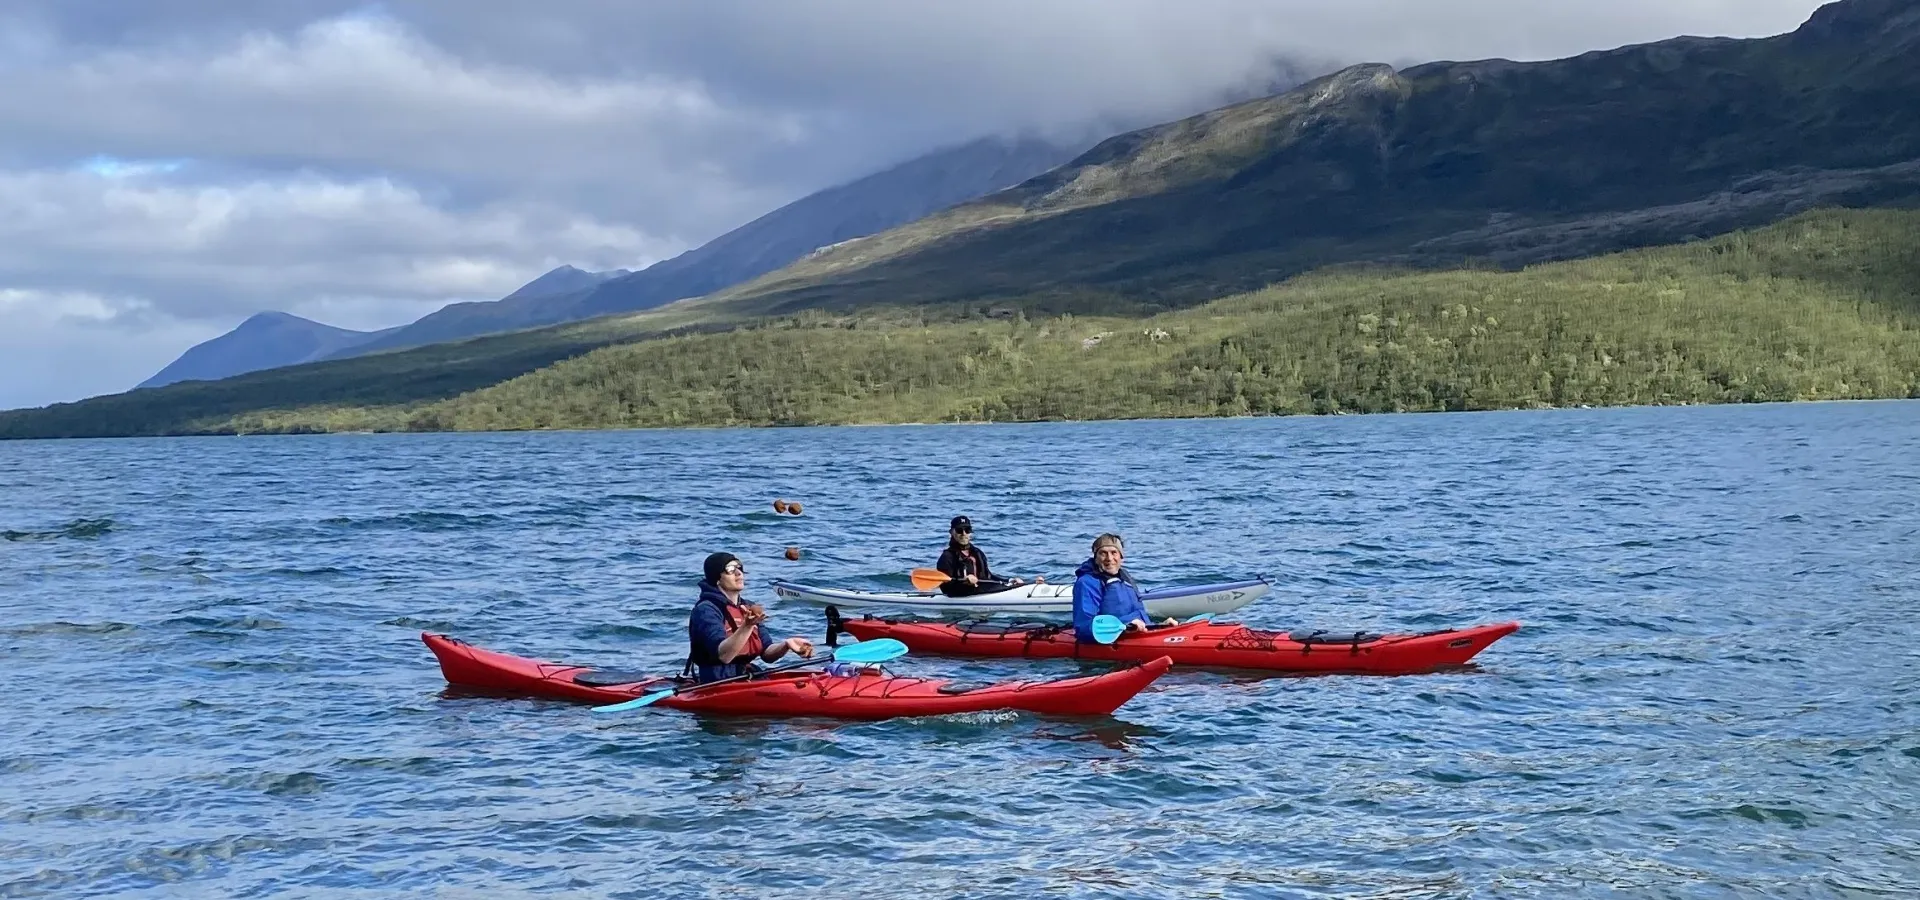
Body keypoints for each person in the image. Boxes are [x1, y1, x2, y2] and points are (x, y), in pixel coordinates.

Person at [685, 552, 813, 683]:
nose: (739, 573)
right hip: (717, 681)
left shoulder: (748, 606)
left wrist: (786, 645)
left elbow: (767, 653)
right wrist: (747, 626)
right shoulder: (706, 610)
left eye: (739, 568)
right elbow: (724, 656)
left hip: (746, 675)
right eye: (730, 569)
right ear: (717, 578)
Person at [1072, 532, 1174, 643]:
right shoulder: (1087, 583)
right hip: (1113, 639)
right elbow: (1083, 628)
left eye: (1114, 553)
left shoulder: (1126, 578)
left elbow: (1138, 615)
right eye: (1103, 553)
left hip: (1139, 634)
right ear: (1096, 558)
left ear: (1121, 557)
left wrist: (1158, 627)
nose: (1109, 558)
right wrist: (1126, 625)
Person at [935, 515, 1039, 596]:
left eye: (967, 530)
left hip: (981, 591)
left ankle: (1031, 586)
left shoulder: (977, 553)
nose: (964, 534)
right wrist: (964, 581)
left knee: (1010, 585)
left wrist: (1010, 581)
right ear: (951, 532)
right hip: (961, 595)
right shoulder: (947, 557)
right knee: (998, 588)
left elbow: (988, 577)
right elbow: (946, 588)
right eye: (959, 530)